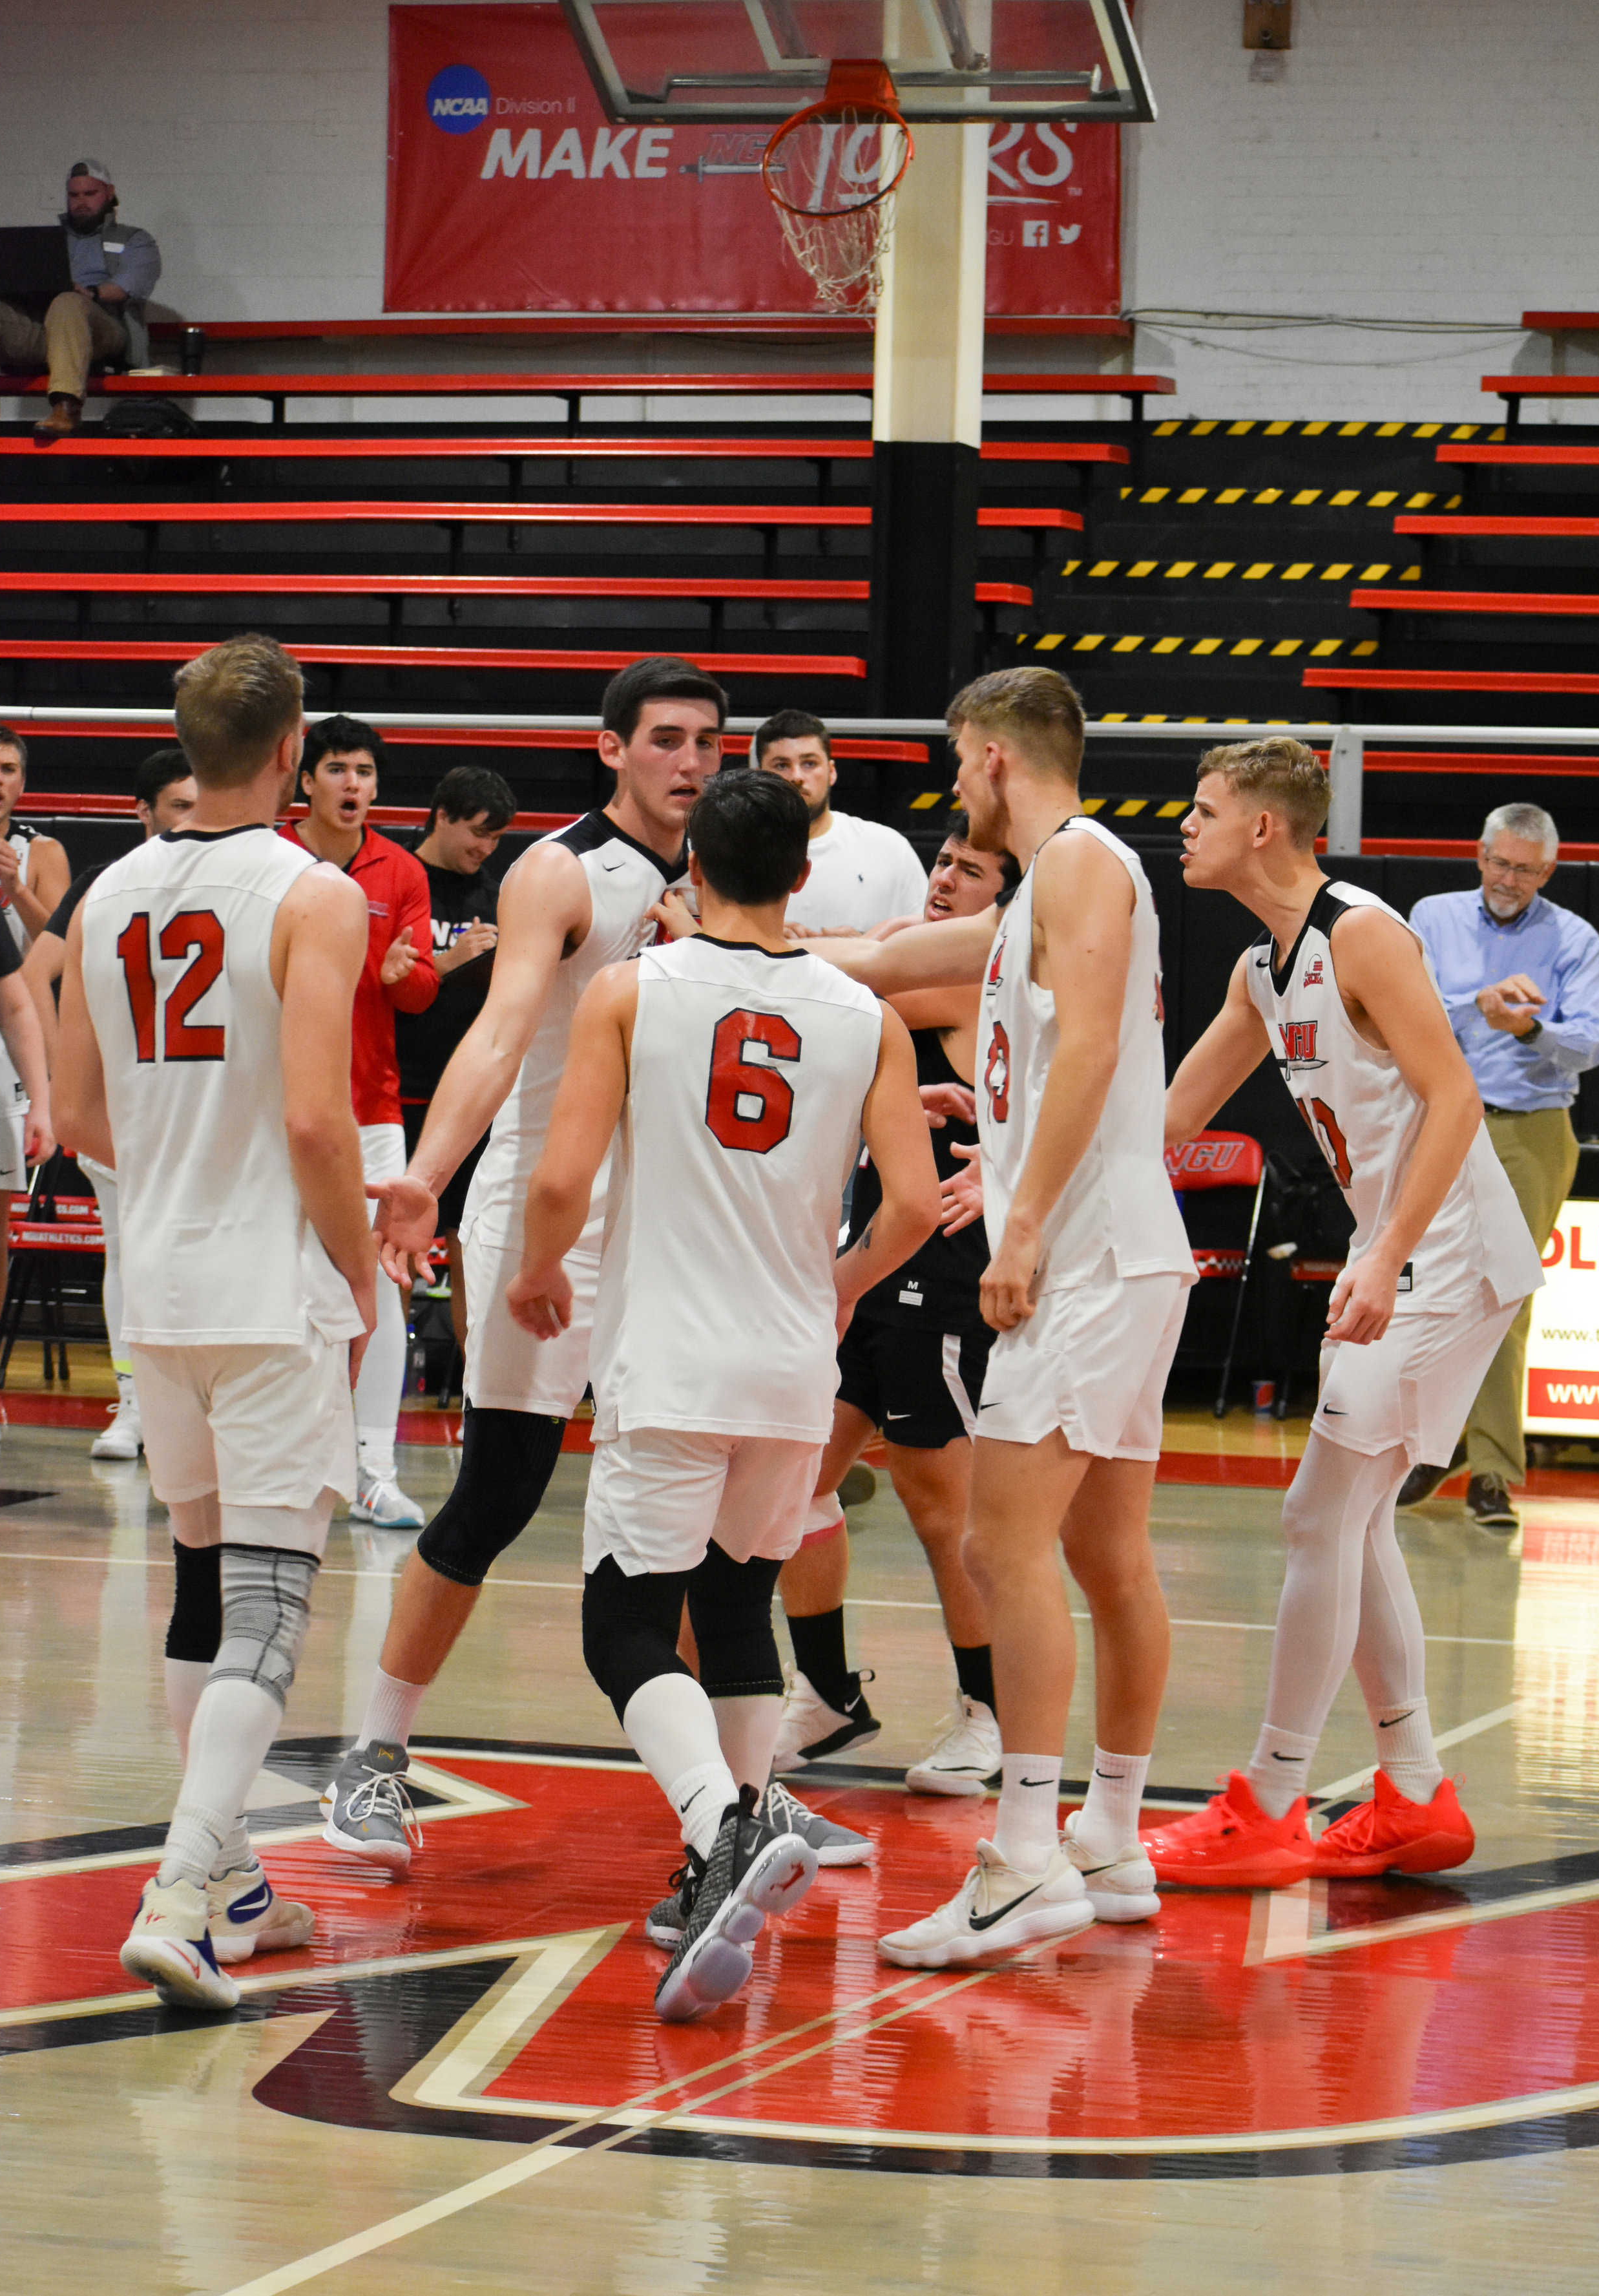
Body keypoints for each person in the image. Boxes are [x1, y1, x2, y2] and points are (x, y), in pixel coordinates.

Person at [669, 668, 1197, 1965]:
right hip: (1126, 1253)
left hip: (1081, 1255)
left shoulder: (1075, 863)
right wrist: (724, 947)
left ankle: (1020, 1856)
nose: (952, 784)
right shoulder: (1046, 893)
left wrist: (1017, 1227)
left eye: (960, 761)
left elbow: (1079, 1055)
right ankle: (1112, 1837)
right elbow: (891, 958)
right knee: (1107, 1560)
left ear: (995, 755)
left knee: (999, 1550)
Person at [508, 768, 941, 2019]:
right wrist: (846, 1284)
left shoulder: (634, 995)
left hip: (674, 1357)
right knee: (738, 1599)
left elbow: (560, 1177)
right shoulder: (867, 1016)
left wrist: (538, 1273)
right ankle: (710, 1872)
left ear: (686, 865)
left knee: (620, 1623)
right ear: (803, 875)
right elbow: (913, 1204)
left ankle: (724, 1824)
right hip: (794, 1360)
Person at [317, 657, 722, 1869]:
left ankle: (723, 1792)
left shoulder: (718, 870)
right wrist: (426, 1176)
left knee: (686, 1522)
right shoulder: (559, 868)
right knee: (497, 1493)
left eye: (707, 740)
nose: (691, 761)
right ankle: (374, 1756)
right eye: (665, 739)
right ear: (611, 748)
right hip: (542, 1208)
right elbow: (498, 1032)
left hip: (666, 1225)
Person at [1144, 739, 1541, 1891]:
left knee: (1321, 1514)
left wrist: (1389, 1257)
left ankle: (1269, 1800)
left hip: (1444, 1259)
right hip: (1409, 1260)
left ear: (1264, 828)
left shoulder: (1361, 929)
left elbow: (1455, 1095)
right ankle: (1414, 1794)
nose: (1187, 824)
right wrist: (1019, 1161)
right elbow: (1168, 1115)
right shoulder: (1262, 969)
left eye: (1205, 808)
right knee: (1350, 1520)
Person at [53, 633, 377, 2010]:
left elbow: (74, 1119)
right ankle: (182, 1889)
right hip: (266, 1285)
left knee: (202, 1583)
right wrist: (360, 1269)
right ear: (294, 748)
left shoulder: (107, 893)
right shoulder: (314, 893)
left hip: (157, 1287)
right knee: (269, 1608)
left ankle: (233, 1880)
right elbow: (316, 1116)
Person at [772, 820, 1020, 1795]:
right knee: (795, 1482)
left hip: (946, 1271)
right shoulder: (912, 959)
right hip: (872, 1259)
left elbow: (857, 971)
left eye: (973, 870)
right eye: (945, 863)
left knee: (941, 1514)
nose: (948, 877)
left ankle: (988, 1713)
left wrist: (733, 931)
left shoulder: (971, 974)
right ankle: (829, 1689)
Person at [1399, 803, 1599, 1531]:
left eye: (1525, 869)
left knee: (1502, 1296)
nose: (1507, 879)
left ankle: (1490, 1469)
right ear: (1478, 854)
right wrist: (1474, 1004)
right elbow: (1400, 1010)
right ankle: (1438, 1442)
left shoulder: (1573, 938)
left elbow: (1588, 1045)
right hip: (1439, 1125)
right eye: (1499, 862)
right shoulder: (1430, 916)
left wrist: (1529, 1028)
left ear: (1549, 871)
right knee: (1431, 1292)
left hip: (1530, 1130)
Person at [282, 715, 437, 1530]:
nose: (353, 784)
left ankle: (374, 1464)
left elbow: (418, 996)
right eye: (337, 768)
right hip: (280, 1108)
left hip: (372, 1111)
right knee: (279, 1285)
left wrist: (402, 976)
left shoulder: (401, 870)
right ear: (304, 778)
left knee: (380, 1285)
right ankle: (287, 1456)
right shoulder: (271, 860)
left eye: (366, 772)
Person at [23, 746, 197, 1460]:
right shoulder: (105, 884)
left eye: (200, 804)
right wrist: (73, 1083)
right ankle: (133, 1407)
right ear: (143, 813)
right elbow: (36, 974)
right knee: (130, 1257)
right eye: (179, 806)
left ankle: (187, 1410)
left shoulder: (234, 877)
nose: (192, 819)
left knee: (196, 1261)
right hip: (125, 1109)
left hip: (205, 1106)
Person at [395, 765, 515, 1358]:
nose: (485, 848)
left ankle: (478, 1409)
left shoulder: (495, 897)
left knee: (476, 1258)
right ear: (441, 815)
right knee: (391, 1255)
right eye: (476, 832)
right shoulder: (395, 877)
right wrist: (449, 956)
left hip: (474, 1105)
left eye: (495, 839)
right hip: (402, 1095)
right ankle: (373, 1419)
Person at [0, 724, 69, 1366]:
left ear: (23, 781)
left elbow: (69, 946)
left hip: (10, 1048)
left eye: (8, 767)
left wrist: (15, 888)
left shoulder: (41, 851)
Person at [0, 161, 162, 443]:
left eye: (90, 194)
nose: (81, 202)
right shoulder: (45, 241)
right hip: (43, 328)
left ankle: (66, 408)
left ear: (109, 193)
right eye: (74, 196)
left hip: (103, 328)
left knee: (68, 303)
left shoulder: (135, 240)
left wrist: (89, 293)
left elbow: (125, 288)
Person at [753, 710, 928, 933]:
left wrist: (866, 948)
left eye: (809, 763)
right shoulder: (734, 853)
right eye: (781, 766)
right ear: (758, 777)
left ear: (832, 772)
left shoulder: (889, 848)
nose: (796, 776)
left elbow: (926, 940)